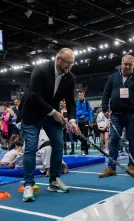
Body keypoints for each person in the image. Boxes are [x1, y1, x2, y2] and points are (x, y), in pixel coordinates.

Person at [19, 48, 79, 202]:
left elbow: (71, 102)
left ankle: (54, 181)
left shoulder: (70, 78)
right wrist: (54, 112)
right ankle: (28, 185)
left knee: (58, 145)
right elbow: (35, 96)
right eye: (67, 63)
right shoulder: (41, 70)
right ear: (58, 59)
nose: (70, 67)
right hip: (32, 112)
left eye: (72, 64)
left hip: (51, 115)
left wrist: (72, 120)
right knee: (31, 148)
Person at [99, 55, 134, 178]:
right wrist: (105, 109)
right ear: (121, 64)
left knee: (132, 140)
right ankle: (111, 167)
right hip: (115, 115)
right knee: (113, 140)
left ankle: (131, 165)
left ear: (133, 66)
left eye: (130, 65)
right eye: (125, 64)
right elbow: (105, 94)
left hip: (131, 115)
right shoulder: (113, 78)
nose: (127, 66)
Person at [76, 91, 93, 155]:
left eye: (82, 95)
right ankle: (86, 149)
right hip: (78, 121)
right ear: (78, 96)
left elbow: (89, 112)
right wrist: (81, 113)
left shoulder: (86, 102)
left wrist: (91, 121)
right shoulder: (76, 102)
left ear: (84, 95)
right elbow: (76, 112)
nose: (81, 96)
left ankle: (83, 150)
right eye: (80, 95)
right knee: (78, 135)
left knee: (84, 135)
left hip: (85, 121)